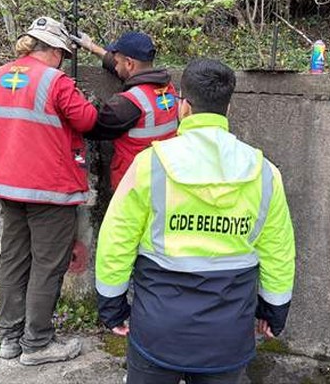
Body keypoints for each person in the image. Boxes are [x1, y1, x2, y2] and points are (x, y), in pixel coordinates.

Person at [94, 58, 296, 383]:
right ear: (227, 109)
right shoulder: (264, 173)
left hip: (158, 332)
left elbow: (116, 239)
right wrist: (274, 309)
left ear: (183, 106)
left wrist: (111, 305)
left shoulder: (150, 165)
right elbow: (278, 251)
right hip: (227, 336)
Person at [0, 16, 97, 366]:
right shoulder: (56, 81)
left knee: (14, 260)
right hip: (49, 187)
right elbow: (88, 120)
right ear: (56, 51)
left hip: (8, 184)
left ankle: (9, 339)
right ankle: (37, 343)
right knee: (48, 265)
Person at [70, 31, 179, 190]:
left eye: (117, 61)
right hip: (164, 181)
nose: (115, 64)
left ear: (129, 63)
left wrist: (78, 101)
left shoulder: (127, 104)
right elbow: (127, 71)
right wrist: (92, 47)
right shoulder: (168, 89)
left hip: (133, 189)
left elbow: (89, 126)